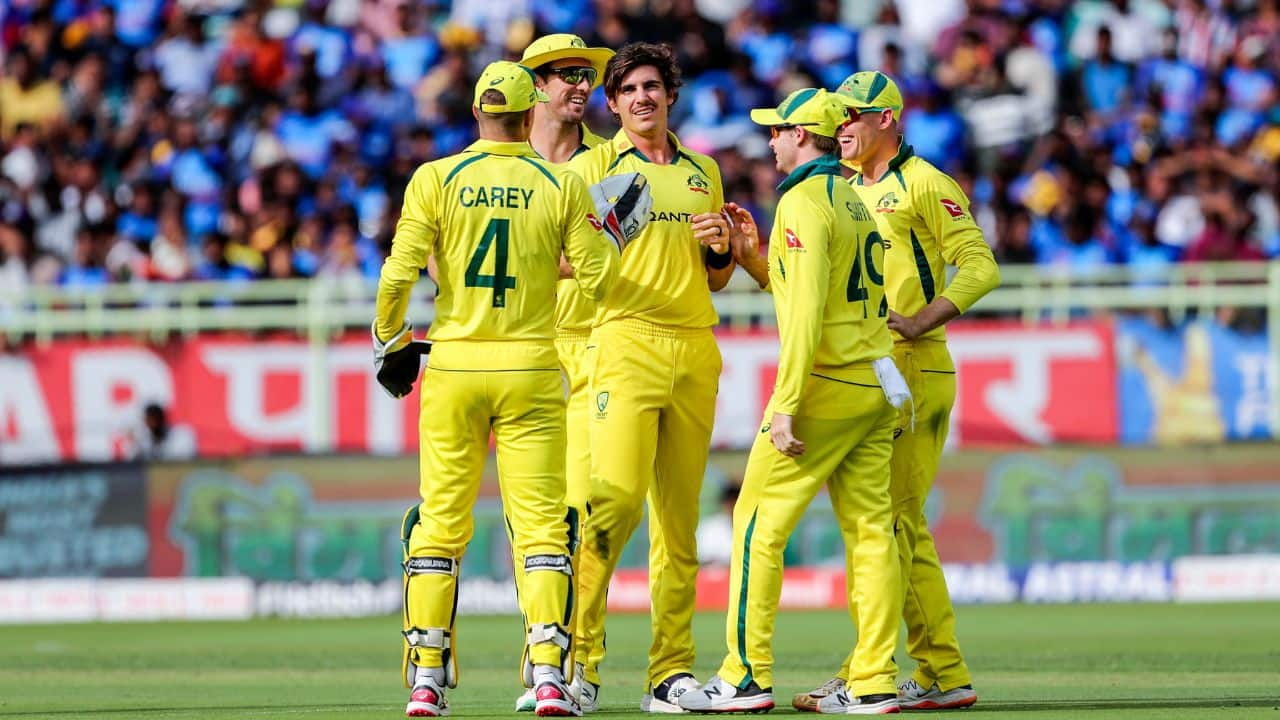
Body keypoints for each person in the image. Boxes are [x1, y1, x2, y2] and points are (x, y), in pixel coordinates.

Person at [373, 60, 619, 718]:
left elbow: (398, 273)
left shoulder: (436, 177)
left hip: (453, 363)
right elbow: (600, 279)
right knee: (541, 529)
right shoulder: (560, 183)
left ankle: (426, 680)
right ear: (525, 113)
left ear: (477, 114)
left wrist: (390, 341)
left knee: (439, 523)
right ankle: (546, 675)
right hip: (533, 366)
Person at [677, 88, 908, 716]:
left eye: (777, 130)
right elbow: (818, 295)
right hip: (871, 379)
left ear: (804, 135)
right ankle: (875, 679)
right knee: (870, 535)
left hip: (823, 386)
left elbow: (805, 316)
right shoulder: (855, 200)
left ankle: (744, 677)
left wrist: (785, 404)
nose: (770, 140)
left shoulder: (804, 202)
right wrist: (755, 260)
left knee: (754, 527)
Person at [787, 71, 1000, 713]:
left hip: (916, 364)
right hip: (872, 366)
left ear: (887, 120)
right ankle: (929, 669)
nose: (842, 126)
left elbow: (981, 263)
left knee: (893, 522)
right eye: (838, 117)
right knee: (892, 524)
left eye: (854, 115)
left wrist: (922, 319)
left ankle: (905, 670)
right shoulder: (845, 190)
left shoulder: (925, 183)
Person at [567, 41, 735, 713]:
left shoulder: (704, 170)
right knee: (610, 507)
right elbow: (574, 259)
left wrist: (721, 247)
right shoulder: (597, 166)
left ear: (670, 95)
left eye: (652, 86)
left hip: (694, 346)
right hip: (626, 342)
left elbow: (716, 276)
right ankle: (577, 667)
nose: (642, 97)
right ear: (612, 104)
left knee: (679, 524)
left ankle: (670, 674)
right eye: (629, 89)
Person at [514, 33, 614, 714]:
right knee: (533, 527)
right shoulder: (499, 164)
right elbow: (441, 260)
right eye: (565, 75)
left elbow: (613, 257)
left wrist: (531, 262)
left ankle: (580, 666)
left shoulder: (611, 164)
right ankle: (545, 655)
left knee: (583, 514)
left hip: (590, 349)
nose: (580, 85)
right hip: (516, 352)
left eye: (587, 75)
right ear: (536, 86)